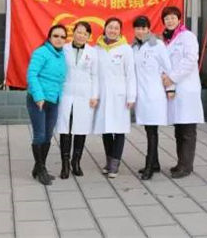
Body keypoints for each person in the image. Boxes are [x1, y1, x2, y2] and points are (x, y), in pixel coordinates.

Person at [161, 6, 204, 179]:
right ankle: (181, 163)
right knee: (179, 129)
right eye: (166, 18)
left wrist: (172, 78)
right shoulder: (167, 39)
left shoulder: (187, 37)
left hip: (186, 89)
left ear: (179, 19)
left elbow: (190, 60)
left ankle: (186, 166)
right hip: (173, 89)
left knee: (187, 129)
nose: (170, 21)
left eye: (173, 18)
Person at [93, 17, 136, 178]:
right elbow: (94, 74)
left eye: (116, 28)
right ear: (105, 29)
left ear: (120, 31)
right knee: (105, 128)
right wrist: (94, 94)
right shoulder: (97, 48)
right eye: (110, 27)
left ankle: (115, 164)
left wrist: (131, 96)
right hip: (102, 94)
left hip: (120, 95)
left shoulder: (126, 49)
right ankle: (109, 160)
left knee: (119, 129)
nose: (113, 30)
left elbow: (130, 74)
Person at [131, 15, 173, 180]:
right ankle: (154, 163)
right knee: (148, 129)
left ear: (149, 29)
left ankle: (149, 166)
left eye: (143, 28)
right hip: (141, 95)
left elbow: (168, 68)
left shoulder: (157, 45)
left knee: (152, 131)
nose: (140, 31)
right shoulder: (134, 47)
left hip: (154, 94)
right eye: (137, 28)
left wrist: (170, 89)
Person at [56, 21, 99, 179]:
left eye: (85, 34)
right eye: (79, 32)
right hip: (66, 93)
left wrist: (94, 95)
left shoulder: (92, 52)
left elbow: (95, 75)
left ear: (88, 36)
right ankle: (65, 164)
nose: (81, 36)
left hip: (84, 95)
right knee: (65, 129)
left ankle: (76, 162)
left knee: (81, 128)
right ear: (73, 32)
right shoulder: (64, 49)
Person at [26, 24, 67, 185]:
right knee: (40, 135)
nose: (59, 39)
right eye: (56, 36)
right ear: (49, 37)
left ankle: (38, 168)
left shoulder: (62, 55)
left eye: (62, 37)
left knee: (48, 135)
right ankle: (41, 169)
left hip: (53, 101)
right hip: (39, 101)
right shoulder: (41, 52)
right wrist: (38, 96)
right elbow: (32, 74)